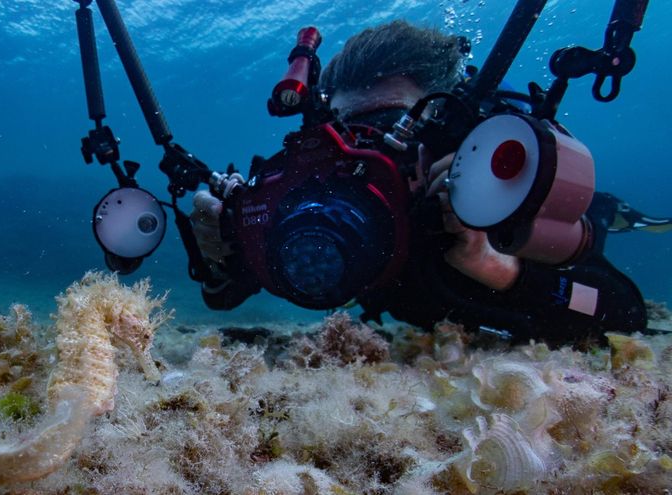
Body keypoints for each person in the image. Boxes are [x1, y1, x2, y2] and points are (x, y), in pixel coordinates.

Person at [191, 20, 670, 343]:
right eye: (343, 133)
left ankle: (617, 212)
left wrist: (494, 266)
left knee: (600, 215)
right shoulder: (322, 204)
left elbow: (624, 314)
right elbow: (223, 296)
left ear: (443, 133)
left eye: (387, 129)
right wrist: (222, 247)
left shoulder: (482, 210)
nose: (359, 152)